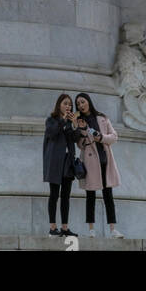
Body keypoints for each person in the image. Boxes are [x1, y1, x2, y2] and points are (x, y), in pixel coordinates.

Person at [74, 93, 123, 239]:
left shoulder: (102, 117)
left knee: (108, 195)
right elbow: (80, 145)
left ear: (88, 101)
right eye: (78, 104)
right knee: (90, 195)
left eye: (83, 102)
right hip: (90, 162)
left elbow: (114, 137)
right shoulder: (79, 121)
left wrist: (101, 137)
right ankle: (91, 229)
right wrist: (83, 131)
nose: (81, 105)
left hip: (105, 160)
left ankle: (113, 229)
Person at [43, 93, 81, 237]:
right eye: (65, 103)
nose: (68, 106)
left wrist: (75, 124)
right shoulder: (51, 120)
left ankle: (65, 227)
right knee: (54, 194)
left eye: (70, 104)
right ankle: (53, 227)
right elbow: (51, 133)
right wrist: (62, 120)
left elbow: (76, 138)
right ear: (59, 104)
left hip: (67, 161)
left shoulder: (70, 122)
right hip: (54, 161)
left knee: (66, 196)